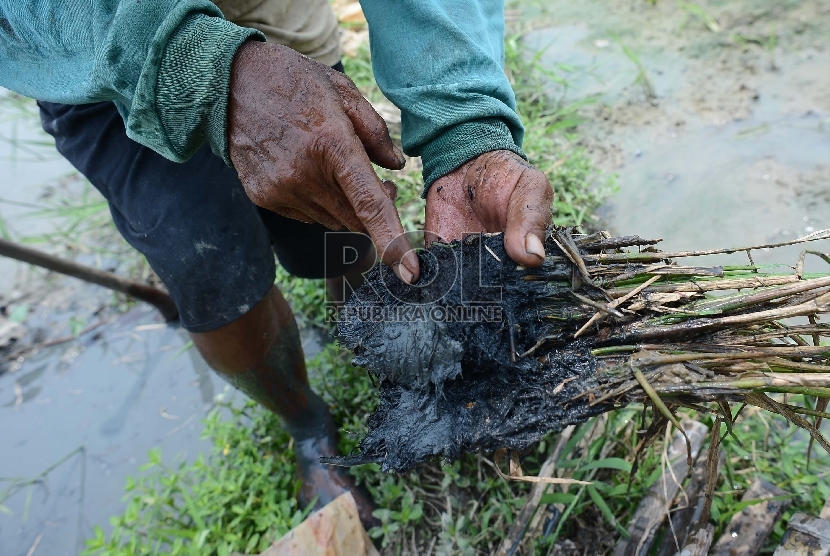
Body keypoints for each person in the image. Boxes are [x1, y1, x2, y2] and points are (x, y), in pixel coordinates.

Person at [0, 0, 554, 527]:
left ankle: (362, 319)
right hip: (89, 36)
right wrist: (200, 68)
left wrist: (466, 122)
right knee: (207, 269)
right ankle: (307, 425)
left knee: (337, 203)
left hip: (269, 15)